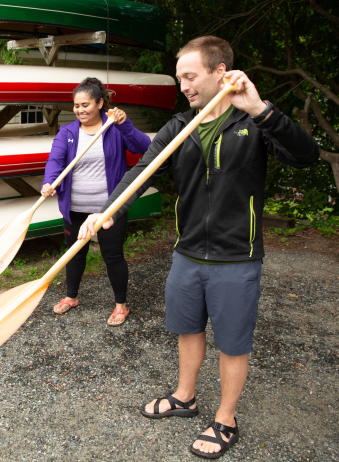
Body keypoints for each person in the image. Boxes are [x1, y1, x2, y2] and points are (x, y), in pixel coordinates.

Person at [78, 36, 320, 458]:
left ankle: (226, 419)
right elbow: (143, 170)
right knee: (187, 329)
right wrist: (109, 209)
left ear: (220, 72)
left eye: (191, 76)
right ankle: (184, 397)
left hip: (235, 258)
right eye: (180, 79)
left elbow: (306, 156)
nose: (184, 86)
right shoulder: (178, 127)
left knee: (232, 342)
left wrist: (260, 110)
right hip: (187, 253)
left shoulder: (252, 123)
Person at [41, 77, 151, 326]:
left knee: (112, 256)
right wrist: (49, 182)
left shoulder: (114, 128)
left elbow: (145, 147)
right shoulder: (67, 132)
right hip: (75, 208)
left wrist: (125, 125)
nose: (80, 110)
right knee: (74, 254)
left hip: (109, 209)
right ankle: (71, 296)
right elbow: (55, 162)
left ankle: (121, 305)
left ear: (100, 103)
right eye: (76, 105)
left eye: (86, 104)